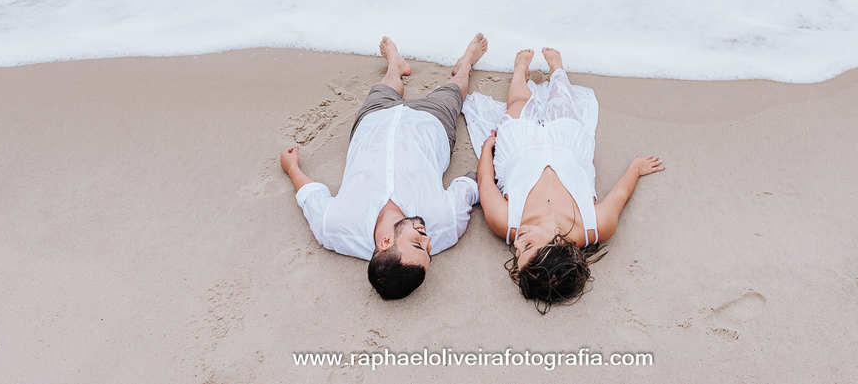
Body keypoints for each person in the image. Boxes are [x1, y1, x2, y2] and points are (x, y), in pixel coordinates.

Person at [280, 34, 486, 300]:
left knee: (384, 87)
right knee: (454, 91)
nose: (428, 241)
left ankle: (395, 66)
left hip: (372, 123)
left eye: (417, 244)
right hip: (430, 125)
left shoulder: (335, 227)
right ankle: (466, 62)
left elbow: (310, 196)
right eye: (427, 251)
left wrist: (291, 167)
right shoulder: (446, 224)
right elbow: (471, 184)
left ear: (385, 242)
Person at [463, 47, 663, 313]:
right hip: (568, 148)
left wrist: (488, 147)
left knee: (518, 106)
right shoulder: (595, 226)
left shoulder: (506, 223)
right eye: (529, 246)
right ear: (558, 243)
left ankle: (520, 70)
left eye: (517, 253)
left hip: (520, 149)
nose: (517, 243)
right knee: (563, 103)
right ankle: (557, 67)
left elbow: (485, 181)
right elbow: (619, 196)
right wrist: (635, 169)